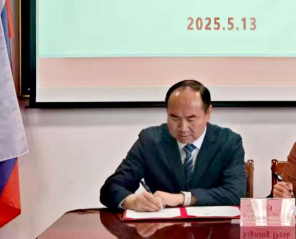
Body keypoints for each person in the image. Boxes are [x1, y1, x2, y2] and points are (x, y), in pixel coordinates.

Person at [100, 79, 247, 211]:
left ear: (208, 113)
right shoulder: (150, 140)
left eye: (191, 119)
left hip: (213, 228)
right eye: (174, 118)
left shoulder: (228, 141)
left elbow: (236, 193)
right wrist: (133, 201)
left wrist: (183, 198)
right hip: (163, 228)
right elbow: (111, 188)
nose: (183, 128)